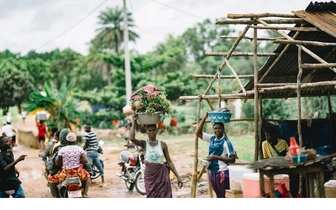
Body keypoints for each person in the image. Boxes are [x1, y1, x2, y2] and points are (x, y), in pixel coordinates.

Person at [129, 114, 183, 198]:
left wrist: (178, 176)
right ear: (146, 131)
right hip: (150, 176)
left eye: (154, 130)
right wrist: (134, 121)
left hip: (162, 175)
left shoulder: (163, 145)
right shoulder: (144, 144)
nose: (152, 132)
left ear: (157, 130)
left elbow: (169, 162)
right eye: (149, 130)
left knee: (164, 196)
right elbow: (131, 138)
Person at [195, 111, 236, 198]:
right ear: (213, 130)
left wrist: (215, 157)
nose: (217, 130)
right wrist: (204, 118)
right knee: (218, 195)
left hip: (222, 172)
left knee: (223, 196)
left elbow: (232, 159)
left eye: (220, 128)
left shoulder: (226, 142)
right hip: (212, 171)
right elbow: (198, 133)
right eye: (215, 128)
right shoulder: (212, 138)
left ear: (224, 130)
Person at [48, 132, 90, 198]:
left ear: (66, 140)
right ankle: (85, 194)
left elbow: (57, 163)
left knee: (50, 179)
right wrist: (79, 162)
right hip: (78, 172)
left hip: (65, 173)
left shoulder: (62, 149)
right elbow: (85, 160)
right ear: (75, 140)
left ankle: (57, 196)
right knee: (88, 177)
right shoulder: (79, 149)